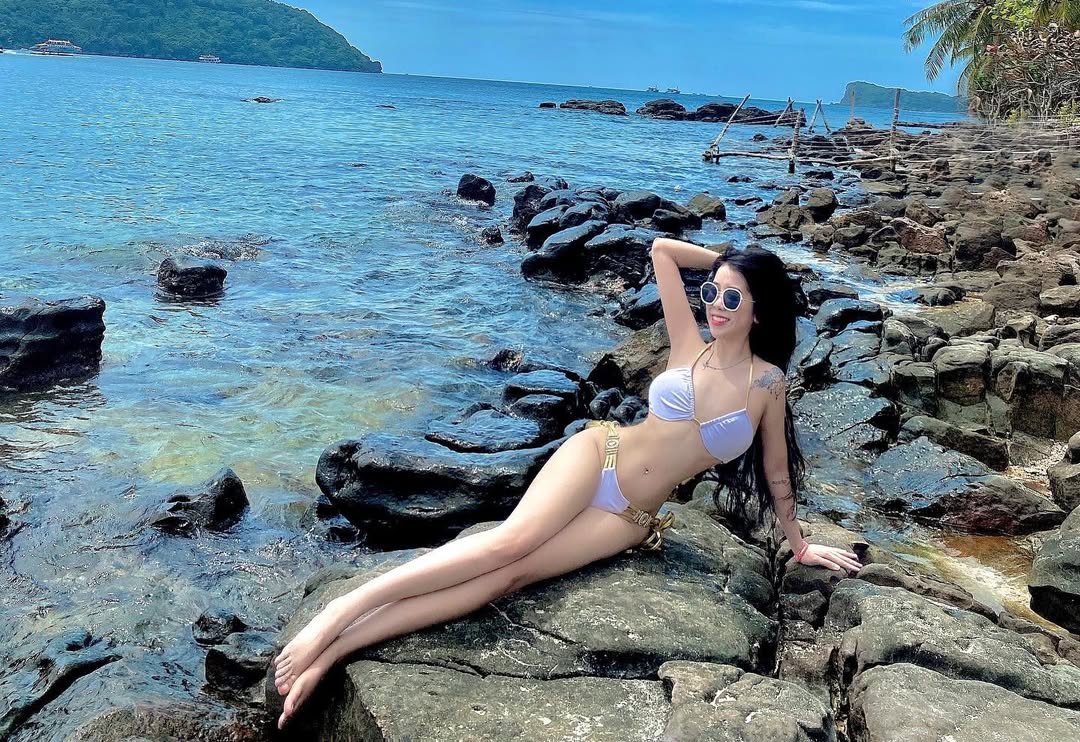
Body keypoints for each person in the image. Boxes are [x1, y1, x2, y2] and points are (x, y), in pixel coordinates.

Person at [272, 238, 861, 727]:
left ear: (760, 311)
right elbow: (661, 251)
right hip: (599, 454)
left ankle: (340, 648)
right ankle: (341, 611)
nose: (716, 306)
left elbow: (777, 472)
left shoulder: (767, 383)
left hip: (628, 517)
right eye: (711, 292)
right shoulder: (690, 343)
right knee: (508, 543)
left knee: (511, 576)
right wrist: (728, 262)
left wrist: (800, 546)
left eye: (732, 298)